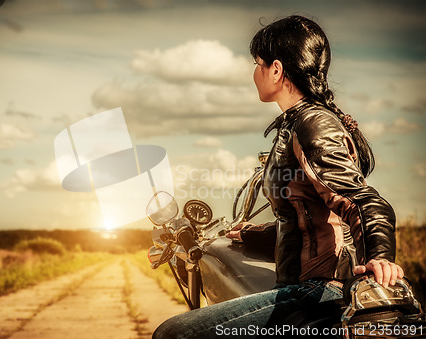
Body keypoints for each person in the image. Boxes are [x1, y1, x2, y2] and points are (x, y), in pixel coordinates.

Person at [153, 15, 403, 338]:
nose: (254, 72)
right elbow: (308, 223)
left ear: (276, 69)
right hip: (304, 285)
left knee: (172, 334)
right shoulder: (295, 123)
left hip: (319, 290)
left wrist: (379, 259)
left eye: (258, 63)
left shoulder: (313, 125)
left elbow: (363, 201)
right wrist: (248, 234)